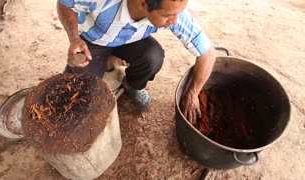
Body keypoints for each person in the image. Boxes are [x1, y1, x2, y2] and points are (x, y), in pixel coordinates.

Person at [57, 0, 216, 125]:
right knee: (75, 96)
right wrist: (74, 38)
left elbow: (207, 53)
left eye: (178, 13)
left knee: (153, 57)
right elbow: (65, 3)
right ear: (142, 3)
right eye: (168, 15)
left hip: (129, 41)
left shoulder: (173, 13)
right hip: (93, 43)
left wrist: (193, 92)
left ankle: (130, 85)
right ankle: (106, 62)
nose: (174, 21)